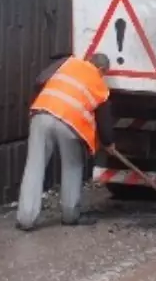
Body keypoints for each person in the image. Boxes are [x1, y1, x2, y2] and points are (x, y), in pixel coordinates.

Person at [17, 53, 114, 231]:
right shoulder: (99, 85)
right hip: (70, 123)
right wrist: (109, 143)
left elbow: (39, 80)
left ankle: (26, 219)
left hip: (43, 114)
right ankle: (70, 215)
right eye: (104, 73)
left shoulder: (67, 63)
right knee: (72, 167)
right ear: (100, 69)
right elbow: (104, 119)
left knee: (34, 166)